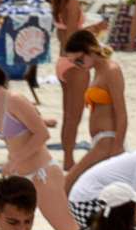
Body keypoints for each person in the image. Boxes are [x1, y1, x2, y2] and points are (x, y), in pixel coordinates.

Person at [0, 59, 73, 230]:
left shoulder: (14, 100)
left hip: (41, 174)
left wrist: (14, 160)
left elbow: (42, 134)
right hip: (20, 177)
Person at [54, 29, 127, 175]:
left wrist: (117, 146)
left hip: (108, 140)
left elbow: (121, 113)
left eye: (79, 60)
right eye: (74, 62)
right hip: (98, 141)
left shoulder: (111, 70)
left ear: (90, 50)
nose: (78, 65)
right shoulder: (98, 71)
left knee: (69, 183)